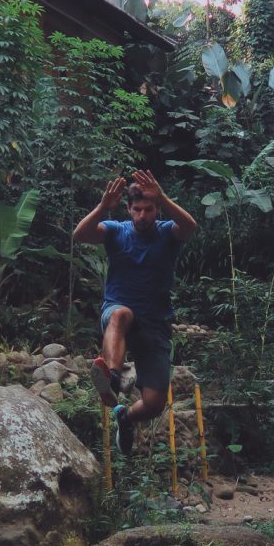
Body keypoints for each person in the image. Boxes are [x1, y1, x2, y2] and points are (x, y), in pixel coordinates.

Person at [72, 168, 197, 456]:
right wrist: (103, 207)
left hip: (155, 325)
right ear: (128, 209)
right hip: (118, 311)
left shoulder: (167, 232)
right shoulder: (116, 230)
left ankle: (125, 418)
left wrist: (163, 197)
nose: (142, 215)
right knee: (121, 315)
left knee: (154, 404)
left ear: (156, 210)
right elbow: (80, 235)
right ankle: (112, 376)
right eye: (137, 209)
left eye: (149, 209)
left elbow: (189, 227)